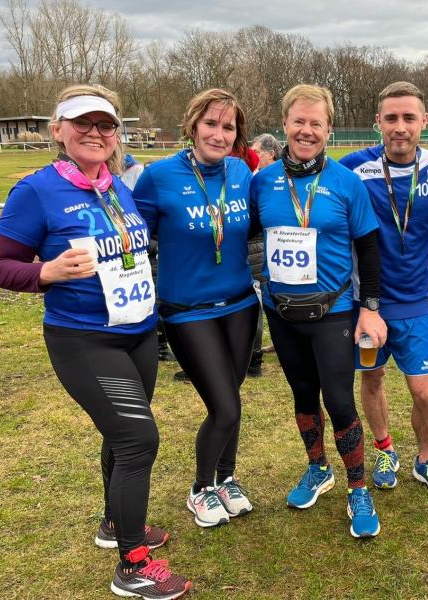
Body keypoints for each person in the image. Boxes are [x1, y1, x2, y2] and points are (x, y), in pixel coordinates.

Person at [0, 84, 190, 599]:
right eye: (83, 123)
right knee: (139, 440)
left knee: (121, 437)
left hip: (137, 334)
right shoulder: (36, 191)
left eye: (105, 125)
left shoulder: (116, 186)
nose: (95, 133)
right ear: (58, 131)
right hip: (84, 340)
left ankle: (115, 523)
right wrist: (46, 272)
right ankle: (133, 565)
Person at [251, 84, 386, 538]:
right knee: (304, 396)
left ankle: (357, 487)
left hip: (333, 312)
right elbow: (250, 235)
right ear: (284, 124)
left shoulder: (346, 182)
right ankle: (318, 468)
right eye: (299, 121)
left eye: (316, 123)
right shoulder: (262, 181)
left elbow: (368, 248)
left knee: (340, 401)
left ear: (329, 129)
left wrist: (370, 308)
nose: (306, 131)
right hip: (282, 312)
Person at [133, 88, 259, 529]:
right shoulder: (157, 176)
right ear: (192, 125)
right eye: (211, 124)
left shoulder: (241, 172)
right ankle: (201, 488)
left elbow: (256, 227)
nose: (219, 135)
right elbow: (134, 238)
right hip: (188, 310)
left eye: (228, 127)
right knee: (224, 407)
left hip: (241, 305)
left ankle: (227, 479)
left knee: (232, 399)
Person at [340, 82, 428, 497]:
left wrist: (412, 253)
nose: (400, 126)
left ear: (425, 121)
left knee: (423, 390)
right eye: (391, 118)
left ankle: (425, 459)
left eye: (409, 117)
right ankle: (385, 449)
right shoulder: (353, 167)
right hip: (366, 304)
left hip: (413, 304)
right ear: (379, 123)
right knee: (372, 379)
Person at [248, 133, 284, 367]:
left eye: (256, 152)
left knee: (265, 298)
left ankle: (267, 350)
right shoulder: (257, 178)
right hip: (261, 248)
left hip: (266, 249)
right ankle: (278, 344)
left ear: (270, 154)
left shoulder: (274, 180)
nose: (252, 156)